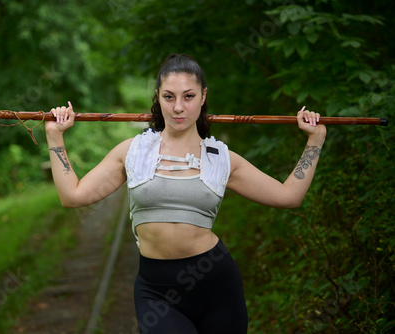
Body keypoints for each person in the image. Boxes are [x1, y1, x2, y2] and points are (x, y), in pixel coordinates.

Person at [45, 54, 327, 333]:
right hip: (156, 292)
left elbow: (288, 196)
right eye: (169, 97)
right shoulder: (133, 152)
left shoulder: (220, 158)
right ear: (158, 97)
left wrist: (315, 141)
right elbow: (73, 196)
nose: (178, 107)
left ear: (203, 97)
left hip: (217, 287)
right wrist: (55, 136)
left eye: (188, 96)